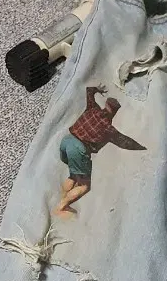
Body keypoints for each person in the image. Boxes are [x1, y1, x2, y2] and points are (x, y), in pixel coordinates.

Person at [54, 84, 146, 217]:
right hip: (78, 149)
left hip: (67, 141)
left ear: (105, 105)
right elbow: (125, 142)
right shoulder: (107, 128)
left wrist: (98, 89)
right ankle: (61, 207)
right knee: (84, 186)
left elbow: (89, 90)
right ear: (114, 112)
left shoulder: (92, 108)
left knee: (73, 175)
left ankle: (63, 198)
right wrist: (142, 147)